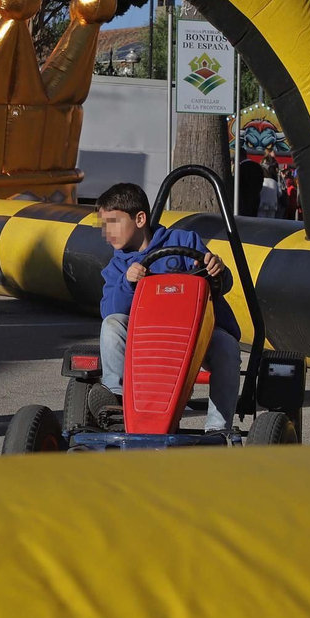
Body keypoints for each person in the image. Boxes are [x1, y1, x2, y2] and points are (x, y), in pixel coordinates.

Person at [93, 182, 242, 433]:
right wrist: (128, 282)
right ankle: (117, 403)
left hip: (195, 333)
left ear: (140, 218)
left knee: (227, 346)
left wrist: (217, 270)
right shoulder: (118, 266)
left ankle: (218, 429)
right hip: (147, 337)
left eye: (113, 223)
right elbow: (110, 311)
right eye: (103, 225)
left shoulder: (184, 241)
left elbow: (221, 284)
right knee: (111, 325)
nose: (107, 233)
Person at [235, 152, 263, 218]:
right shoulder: (257, 166)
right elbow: (261, 180)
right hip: (255, 197)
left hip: (243, 199)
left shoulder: (240, 168)